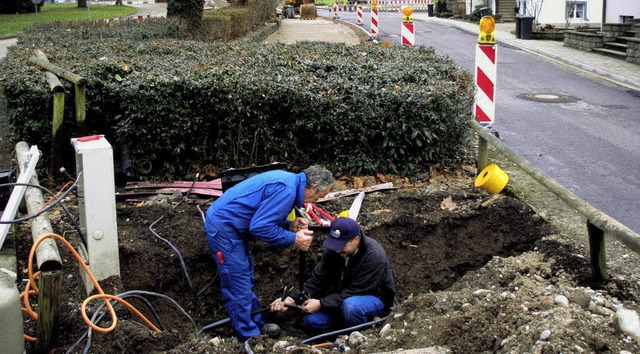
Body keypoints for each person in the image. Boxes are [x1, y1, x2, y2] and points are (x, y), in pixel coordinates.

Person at [204, 165, 334, 342]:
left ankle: (255, 324)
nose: (315, 202)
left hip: (233, 227)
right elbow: (259, 227)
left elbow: (263, 218)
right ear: (312, 187)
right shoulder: (286, 190)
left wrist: (289, 226)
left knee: (245, 276)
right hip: (224, 228)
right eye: (319, 196)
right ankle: (249, 337)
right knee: (238, 281)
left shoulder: (289, 182)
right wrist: (293, 238)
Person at [270, 217, 396, 334]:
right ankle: (343, 329)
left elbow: (357, 292)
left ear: (356, 240)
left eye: (341, 246)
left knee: (352, 307)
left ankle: (361, 335)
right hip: (340, 301)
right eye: (335, 245)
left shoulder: (374, 256)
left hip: (370, 300)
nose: (337, 250)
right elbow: (317, 281)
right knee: (311, 321)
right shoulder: (334, 251)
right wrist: (291, 299)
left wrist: (321, 303)